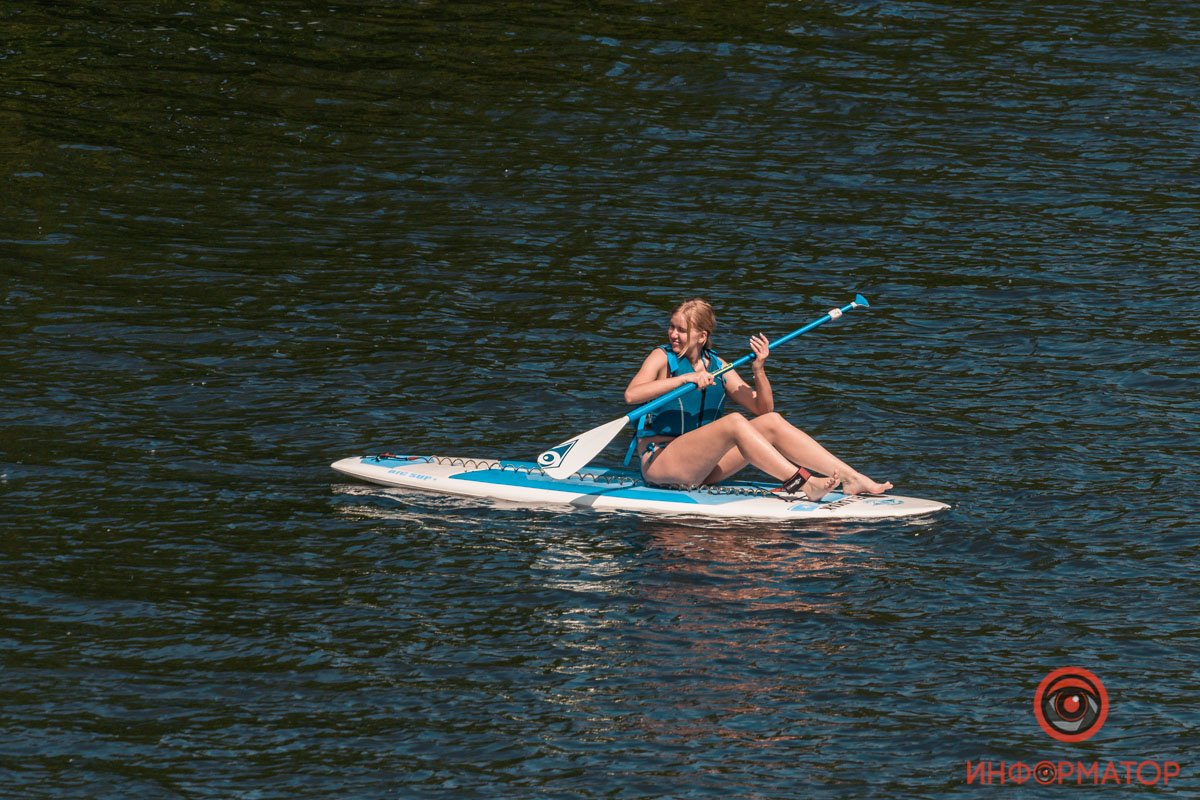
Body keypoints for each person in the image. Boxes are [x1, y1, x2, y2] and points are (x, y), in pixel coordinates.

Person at [623, 298, 892, 501]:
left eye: (681, 330)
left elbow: (763, 410)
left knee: (771, 422)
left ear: (701, 336)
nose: (673, 335)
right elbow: (632, 394)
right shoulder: (661, 358)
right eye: (672, 327)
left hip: (704, 467)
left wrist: (759, 369)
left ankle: (852, 477)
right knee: (735, 422)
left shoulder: (718, 366)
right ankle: (802, 483)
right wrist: (686, 379)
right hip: (661, 461)